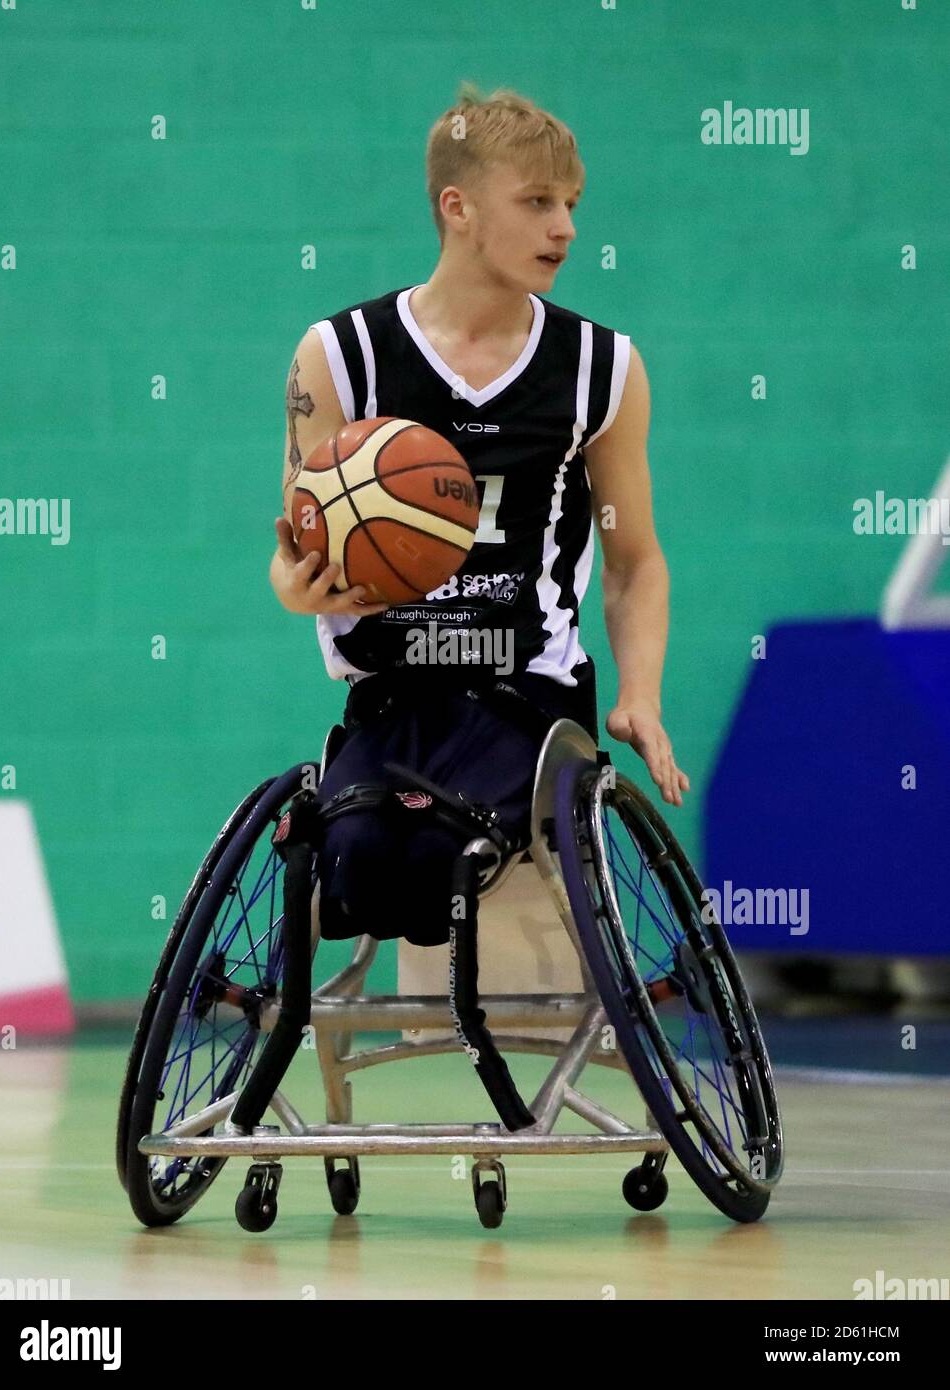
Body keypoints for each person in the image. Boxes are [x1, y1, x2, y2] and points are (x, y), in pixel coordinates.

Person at [269, 86, 689, 948]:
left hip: (526, 687)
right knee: (355, 855)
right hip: (392, 685)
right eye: (537, 203)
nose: (565, 228)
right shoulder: (340, 355)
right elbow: (291, 545)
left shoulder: (600, 368)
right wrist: (296, 588)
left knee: (433, 860)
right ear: (457, 208)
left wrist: (641, 695)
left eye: (571, 204)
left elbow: (634, 562)